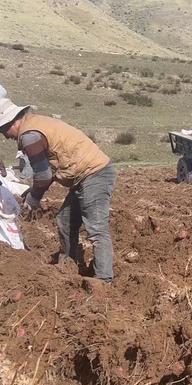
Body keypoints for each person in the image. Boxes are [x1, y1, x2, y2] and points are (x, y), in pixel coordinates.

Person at [0, 97, 116, 282]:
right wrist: (31, 192)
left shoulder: (29, 136)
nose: (5, 136)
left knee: (96, 228)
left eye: (3, 129)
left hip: (94, 174)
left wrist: (33, 199)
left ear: (12, 122)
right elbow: (50, 169)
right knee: (65, 220)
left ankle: (104, 280)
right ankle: (68, 267)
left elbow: (44, 175)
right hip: (84, 176)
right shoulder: (36, 123)